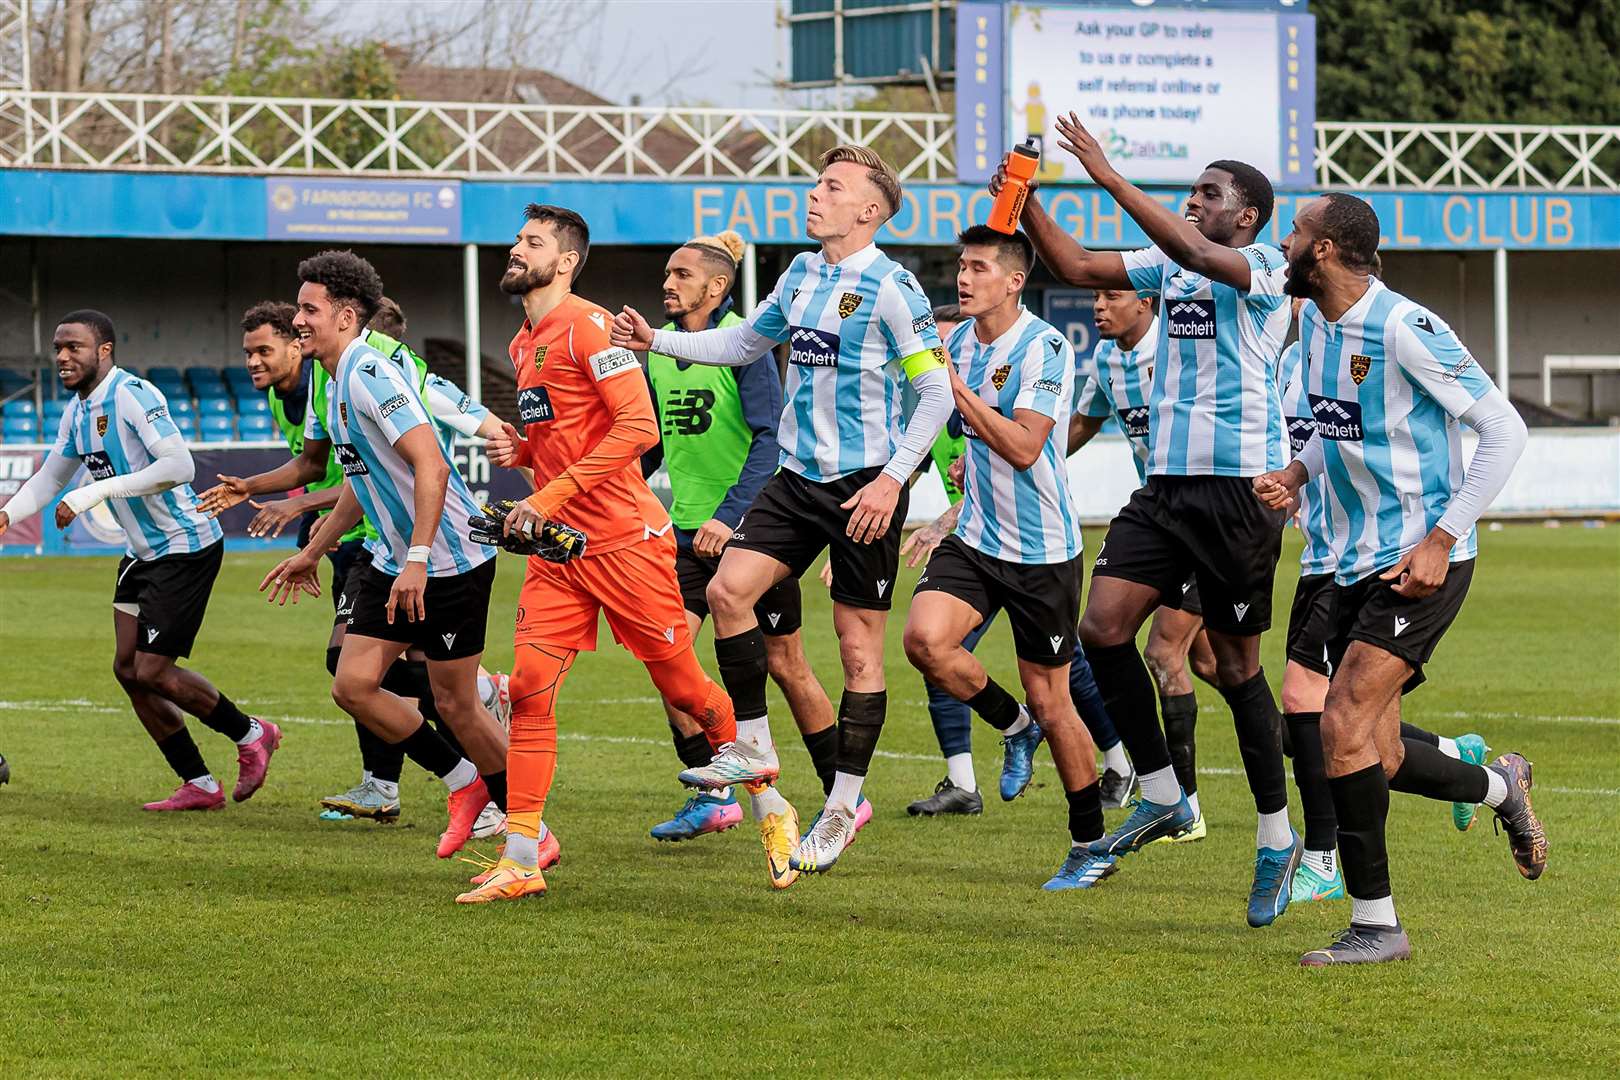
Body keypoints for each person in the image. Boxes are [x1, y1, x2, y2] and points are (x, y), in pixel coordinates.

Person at [612, 145, 954, 874]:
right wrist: (656, 339)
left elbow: (935, 395)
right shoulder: (800, 273)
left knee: (859, 651)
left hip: (865, 486)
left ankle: (840, 809)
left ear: (869, 209)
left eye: (832, 187)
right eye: (817, 183)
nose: (815, 194)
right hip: (797, 481)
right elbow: (744, 341)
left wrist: (893, 482)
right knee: (728, 591)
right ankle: (755, 746)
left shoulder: (895, 288)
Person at [1000, 113, 1300, 928]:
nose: (1195, 201)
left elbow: (1199, 253)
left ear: (1247, 215)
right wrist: (1021, 197)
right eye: (1193, 191)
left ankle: (1278, 838)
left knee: (1236, 672)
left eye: (1210, 193)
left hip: (1240, 494)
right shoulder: (1169, 272)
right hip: (1166, 490)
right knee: (1102, 631)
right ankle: (1166, 796)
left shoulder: (1264, 264)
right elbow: (1069, 263)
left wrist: (1105, 173)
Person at [1253, 194, 1544, 965]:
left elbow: (1504, 429)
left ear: (1322, 252)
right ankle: (1498, 786)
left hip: (1416, 563)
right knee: (1371, 754)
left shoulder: (1405, 328)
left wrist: (1443, 538)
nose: (1282, 243)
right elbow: (1335, 427)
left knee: (1337, 723)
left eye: (1294, 233)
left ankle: (1377, 926)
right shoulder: (1312, 324)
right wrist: (1296, 471)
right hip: (1347, 560)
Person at [457, 204, 750, 903]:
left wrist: (546, 497)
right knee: (528, 690)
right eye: (517, 237)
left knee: (684, 691)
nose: (515, 248)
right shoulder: (524, 343)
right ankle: (523, 855)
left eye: (531, 242)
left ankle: (768, 799)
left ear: (564, 262)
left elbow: (637, 427)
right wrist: (520, 451)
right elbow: (560, 437)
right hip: (559, 549)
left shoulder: (589, 325)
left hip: (627, 542)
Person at [201, 300, 512, 839]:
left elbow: (432, 460)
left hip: (444, 558)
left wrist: (416, 558)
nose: (299, 321)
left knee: (453, 700)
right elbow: (353, 478)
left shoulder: (373, 369)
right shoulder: (327, 384)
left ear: (346, 316)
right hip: (387, 556)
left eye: (307, 309)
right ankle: (464, 783)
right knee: (352, 682)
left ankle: (522, 814)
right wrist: (312, 548)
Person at [900, 226, 1118, 891]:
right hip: (976, 535)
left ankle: (1090, 845)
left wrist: (957, 389)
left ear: (1014, 280)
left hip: (1042, 551)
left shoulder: (1044, 346)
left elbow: (1026, 446)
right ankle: (1014, 727)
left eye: (978, 268)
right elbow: (938, 430)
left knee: (1056, 700)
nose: (963, 279)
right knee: (924, 641)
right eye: (960, 267)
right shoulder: (959, 341)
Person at [0, 310, 279, 810]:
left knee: (152, 670)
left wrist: (91, 496)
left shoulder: (133, 394)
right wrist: (8, 514)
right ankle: (199, 783)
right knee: (127, 669)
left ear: (104, 350)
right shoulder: (78, 411)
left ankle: (252, 734)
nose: (63, 357)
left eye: (75, 348)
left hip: (184, 544)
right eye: (58, 348)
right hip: (141, 552)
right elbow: (50, 477)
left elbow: (179, 466)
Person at [639, 229, 838, 853]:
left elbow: (768, 441)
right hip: (685, 534)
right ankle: (716, 797)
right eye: (666, 274)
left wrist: (730, 516)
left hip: (752, 533)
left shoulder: (747, 350)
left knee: (788, 665)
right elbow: (648, 444)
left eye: (680, 274)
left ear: (716, 286)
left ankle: (842, 798)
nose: (667, 285)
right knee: (671, 667)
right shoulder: (659, 352)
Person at [1069, 288, 1218, 823]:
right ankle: (1305, 727)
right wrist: (1029, 454)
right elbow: (1085, 420)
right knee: (1211, 664)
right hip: (1158, 524)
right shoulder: (1107, 358)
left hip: (1209, 520)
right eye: (1097, 297)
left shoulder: (1186, 349)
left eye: (1112, 296)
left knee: (1163, 653)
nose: (1099, 306)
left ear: (1148, 305)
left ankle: (1185, 807)